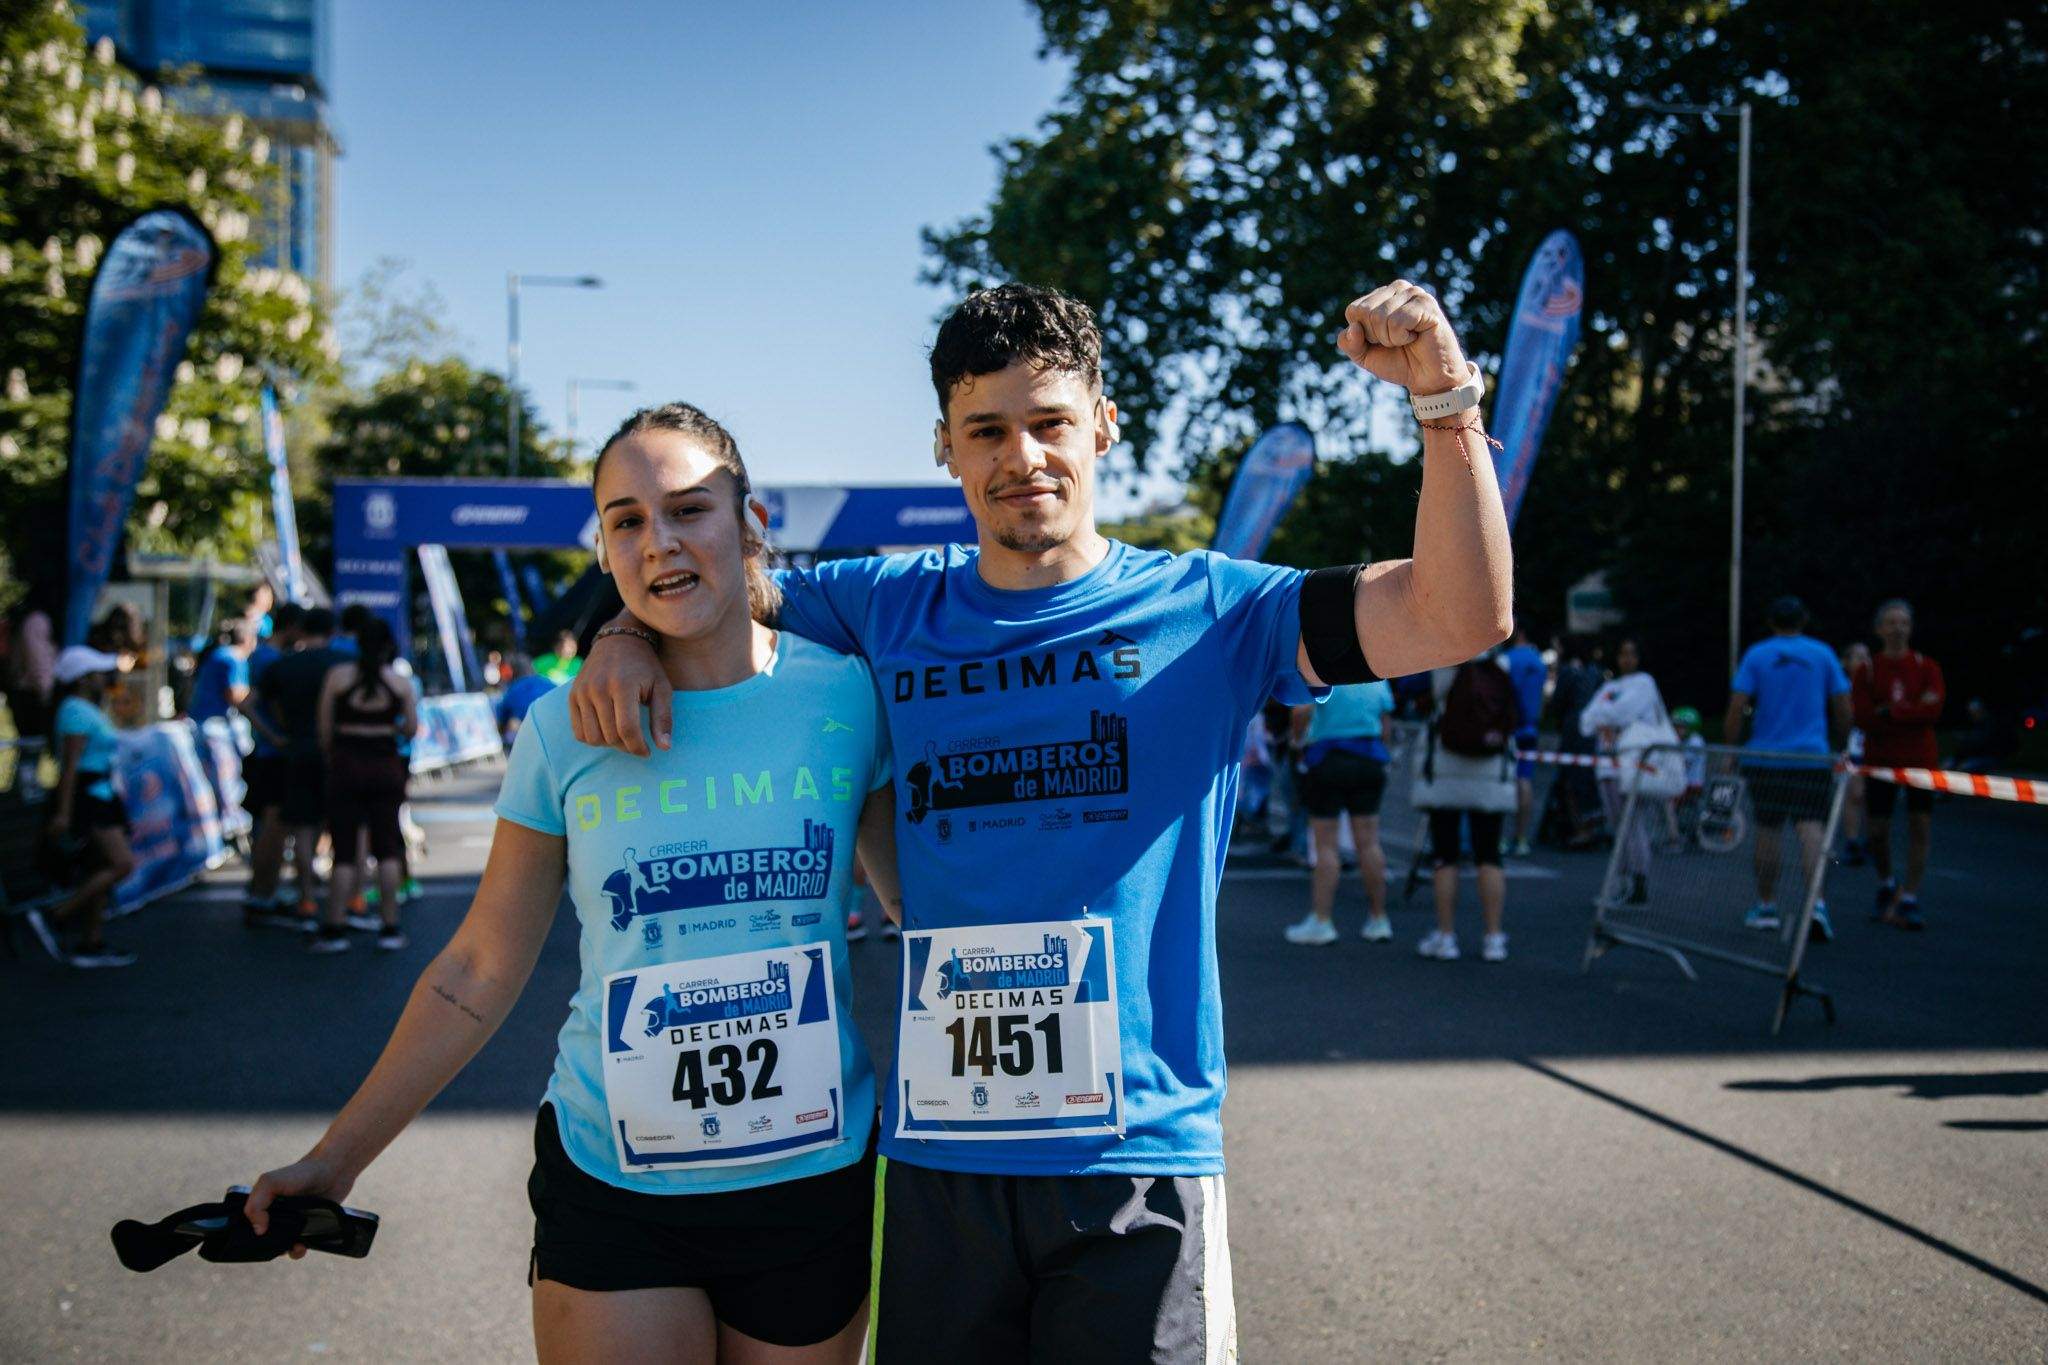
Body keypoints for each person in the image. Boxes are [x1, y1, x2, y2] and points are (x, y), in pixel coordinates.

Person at [570, 279, 1513, 1360]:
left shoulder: (1211, 610)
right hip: (941, 1166)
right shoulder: (885, 605)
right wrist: (618, 637)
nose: (1021, 457)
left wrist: (1446, 401)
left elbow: (1460, 614)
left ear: (1102, 425)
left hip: (1135, 1166)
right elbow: (697, 587)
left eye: (1049, 422)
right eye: (986, 430)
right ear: (945, 447)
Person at [246, 401, 896, 1363]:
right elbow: (477, 967)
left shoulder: (847, 695)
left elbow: (922, 909)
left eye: (689, 509)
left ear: (751, 523)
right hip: (614, 1176)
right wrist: (335, 1159)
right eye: (627, 520)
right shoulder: (563, 728)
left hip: (810, 1175)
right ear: (604, 550)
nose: (659, 540)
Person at [1725, 595, 1852, 941]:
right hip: (1810, 757)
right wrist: (1842, 744)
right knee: (1811, 828)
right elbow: (1842, 704)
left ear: (1771, 622)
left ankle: (1766, 905)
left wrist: (1732, 748)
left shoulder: (1757, 654)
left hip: (1765, 757)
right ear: (1804, 620)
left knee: (1768, 828)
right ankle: (1817, 904)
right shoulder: (1822, 653)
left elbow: (1737, 705)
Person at [26, 646, 138, 968]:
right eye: (98, 672)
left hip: (101, 794)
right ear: (83, 678)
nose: (105, 676)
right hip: (90, 798)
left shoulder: (86, 707)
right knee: (122, 864)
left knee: (100, 865)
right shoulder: (74, 709)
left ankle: (92, 940)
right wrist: (63, 812)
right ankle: (57, 915)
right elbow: (70, 767)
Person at [311, 617, 419, 953]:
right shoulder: (399, 682)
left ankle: (334, 926)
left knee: (344, 851)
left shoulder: (338, 677)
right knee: (387, 847)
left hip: (346, 767)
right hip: (385, 767)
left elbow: (324, 729)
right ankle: (390, 925)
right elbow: (411, 729)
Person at [1413, 654, 1517, 961]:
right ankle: (1493, 937)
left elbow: (1429, 701)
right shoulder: (1500, 664)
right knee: (1490, 855)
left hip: (1446, 768)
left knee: (1445, 856)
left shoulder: (1442, 661)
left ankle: (1446, 936)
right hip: (1490, 770)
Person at [1852, 599, 1945, 930]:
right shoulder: (1868, 670)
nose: (1898, 629)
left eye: (1904, 623)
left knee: (1920, 824)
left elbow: (1932, 711)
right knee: (1877, 830)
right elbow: (1864, 717)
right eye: (1891, 623)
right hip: (1881, 761)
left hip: (1920, 760)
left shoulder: (1926, 667)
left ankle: (1910, 896)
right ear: (1879, 629)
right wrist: (1909, 711)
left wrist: (1891, 712)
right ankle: (1886, 882)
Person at [1283, 678, 1397, 944]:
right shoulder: (1377, 675)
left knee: (1326, 845)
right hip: (1369, 757)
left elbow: (1300, 712)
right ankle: (1379, 918)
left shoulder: (1327, 673)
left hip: (1328, 758)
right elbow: (1386, 723)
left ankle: (1322, 920)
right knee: (1369, 843)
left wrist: (1297, 743)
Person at [250, 607, 344, 921]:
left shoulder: (283, 664)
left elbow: (250, 703)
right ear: (331, 632)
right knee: (338, 827)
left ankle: (304, 897)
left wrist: (277, 735)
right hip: (333, 753)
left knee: (299, 828)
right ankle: (343, 902)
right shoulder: (342, 664)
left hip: (294, 752)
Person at [1577, 637, 1670, 905]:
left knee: (1631, 822)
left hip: (1630, 764)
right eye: (1622, 653)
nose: (1627, 659)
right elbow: (1586, 721)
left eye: (1632, 654)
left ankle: (1637, 879)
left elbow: (1621, 713)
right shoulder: (1610, 686)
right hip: (1608, 766)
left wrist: (1604, 716)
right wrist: (1606, 717)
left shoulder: (1644, 683)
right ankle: (1623, 880)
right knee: (1619, 825)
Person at [241, 603, 310, 928]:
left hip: (269, 753)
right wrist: (278, 735)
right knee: (273, 828)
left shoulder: (265, 656)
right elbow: (253, 703)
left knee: (271, 828)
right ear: (292, 626)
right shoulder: (271, 660)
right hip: (273, 756)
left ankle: (264, 892)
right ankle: (261, 896)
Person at [1502, 620, 1547, 855]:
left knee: (1505, 781)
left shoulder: (1507, 659)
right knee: (1525, 781)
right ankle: (1520, 838)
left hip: (1509, 728)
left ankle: (1500, 837)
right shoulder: (1539, 662)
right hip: (1531, 728)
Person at [1837, 641, 1873, 865]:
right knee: (1854, 793)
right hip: (1853, 747)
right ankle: (1851, 841)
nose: (1864, 660)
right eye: (1858, 656)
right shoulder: (1841, 687)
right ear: (1846, 662)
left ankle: (1871, 840)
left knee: (1871, 794)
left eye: (1866, 655)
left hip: (1874, 746)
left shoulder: (1874, 685)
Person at [187, 618, 253, 726]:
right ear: (248, 639)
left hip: (198, 719)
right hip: (215, 723)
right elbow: (235, 696)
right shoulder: (235, 657)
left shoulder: (218, 652)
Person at [495, 652, 556, 743]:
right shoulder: (548, 682)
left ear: (512, 670)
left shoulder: (513, 689)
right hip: (556, 728)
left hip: (531, 736)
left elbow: (501, 718)